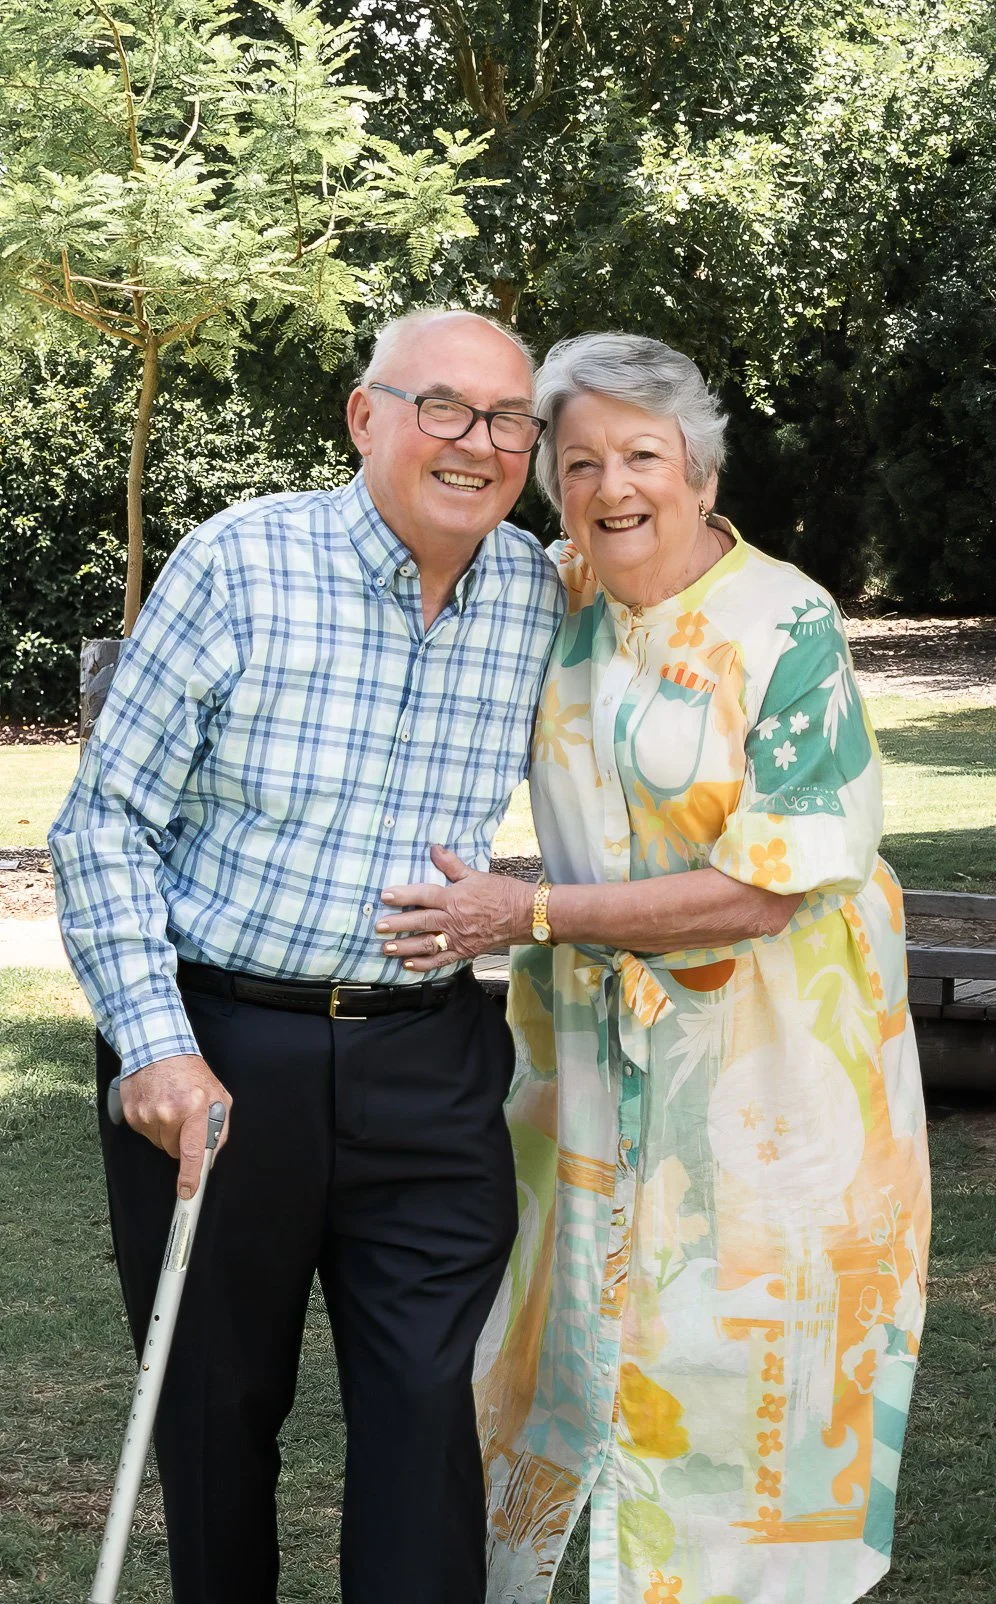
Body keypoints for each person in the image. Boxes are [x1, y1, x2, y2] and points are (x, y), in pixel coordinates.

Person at [375, 332, 932, 1604]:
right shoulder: (554, 596)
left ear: (699, 468)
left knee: (749, 1387)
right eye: (579, 462)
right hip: (583, 1083)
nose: (612, 485)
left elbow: (768, 883)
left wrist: (534, 911)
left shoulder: (783, 619)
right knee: (556, 1366)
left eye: (641, 454)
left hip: (777, 1076)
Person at [49, 308, 564, 1604]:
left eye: (509, 419)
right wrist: (155, 1048)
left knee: (430, 1418)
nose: (478, 442)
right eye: (442, 406)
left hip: (430, 1061)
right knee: (218, 1420)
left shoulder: (540, 596)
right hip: (220, 1055)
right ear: (365, 416)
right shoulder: (240, 563)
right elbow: (103, 825)